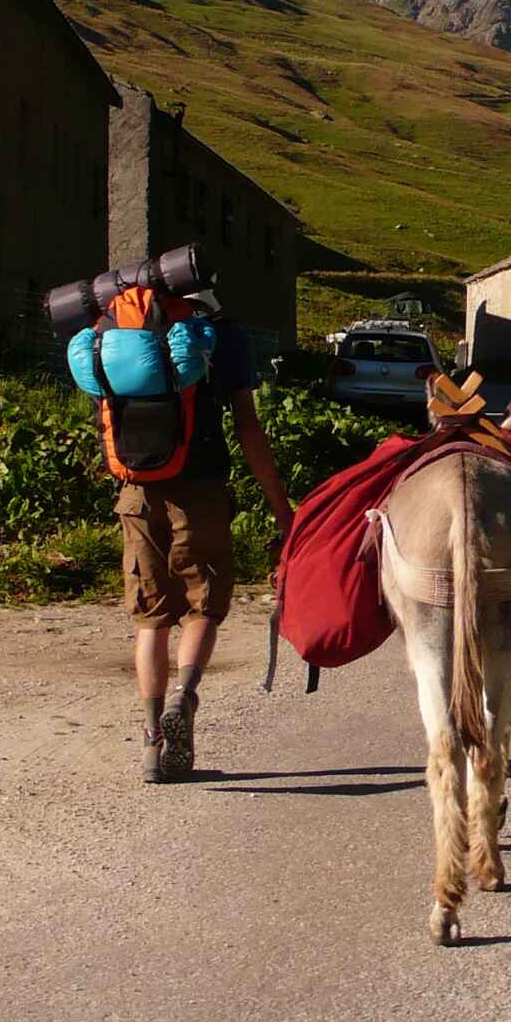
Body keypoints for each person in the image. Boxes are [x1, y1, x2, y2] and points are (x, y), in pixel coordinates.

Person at [118, 303, 293, 783]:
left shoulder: (115, 330)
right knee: (203, 606)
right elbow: (247, 428)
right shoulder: (221, 335)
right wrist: (282, 511)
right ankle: (184, 695)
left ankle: (152, 743)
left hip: (136, 491)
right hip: (202, 491)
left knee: (151, 617)